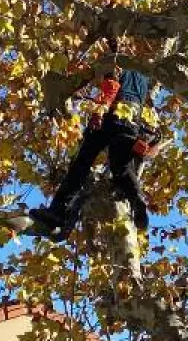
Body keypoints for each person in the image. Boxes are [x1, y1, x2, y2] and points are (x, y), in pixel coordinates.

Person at [25, 63, 163, 240]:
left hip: (111, 115)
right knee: (122, 169)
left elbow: (111, 87)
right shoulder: (144, 77)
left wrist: (99, 112)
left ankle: (57, 213)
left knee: (80, 166)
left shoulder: (116, 62)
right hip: (132, 121)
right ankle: (137, 200)